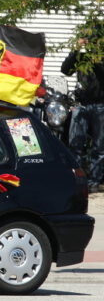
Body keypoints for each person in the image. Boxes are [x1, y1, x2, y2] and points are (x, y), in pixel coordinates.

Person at [61, 34, 104, 193]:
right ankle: (76, 179)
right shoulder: (80, 57)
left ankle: (94, 181)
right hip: (81, 105)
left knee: (99, 147)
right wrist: (76, 50)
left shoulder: (100, 57)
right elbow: (65, 70)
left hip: (100, 105)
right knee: (75, 143)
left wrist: (97, 58)